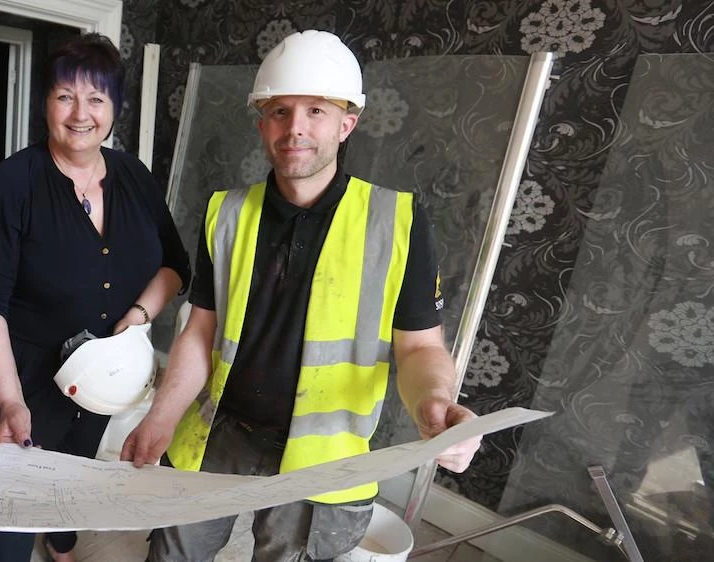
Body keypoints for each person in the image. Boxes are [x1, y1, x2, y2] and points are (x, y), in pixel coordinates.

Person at [120, 30, 483, 561]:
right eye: (280, 111)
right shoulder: (227, 212)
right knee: (172, 553)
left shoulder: (396, 220)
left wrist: (434, 404)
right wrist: (161, 414)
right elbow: (200, 331)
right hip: (217, 432)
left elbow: (420, 347)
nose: (296, 129)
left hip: (322, 457)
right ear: (262, 122)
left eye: (316, 110)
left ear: (346, 123)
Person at [0, 33, 191, 562]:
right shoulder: (9, 186)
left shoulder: (134, 178)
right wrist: (10, 400)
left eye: (96, 98)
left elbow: (175, 266)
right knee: (15, 492)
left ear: (115, 108)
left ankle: (62, 541)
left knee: (78, 469)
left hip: (104, 371)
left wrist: (136, 317)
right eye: (65, 95)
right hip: (26, 375)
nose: (80, 113)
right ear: (45, 103)